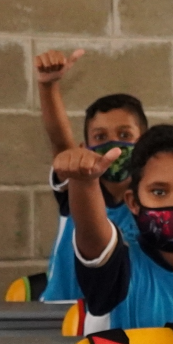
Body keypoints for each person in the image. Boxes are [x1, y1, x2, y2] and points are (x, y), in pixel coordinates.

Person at [69, 123, 173, 331]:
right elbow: (92, 234)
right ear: (133, 202)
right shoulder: (116, 271)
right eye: (159, 192)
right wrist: (83, 182)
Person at [32, 49, 148, 302]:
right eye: (100, 137)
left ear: (145, 143)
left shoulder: (154, 200)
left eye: (125, 135)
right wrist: (48, 85)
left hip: (121, 321)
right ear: (84, 149)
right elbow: (62, 147)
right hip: (60, 316)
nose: (114, 145)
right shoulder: (77, 186)